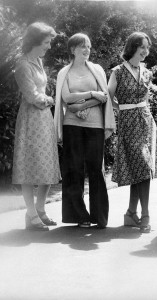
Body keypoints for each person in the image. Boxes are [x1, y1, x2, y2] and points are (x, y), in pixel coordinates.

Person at [54, 33, 115, 229]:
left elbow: (103, 96)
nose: (87, 50)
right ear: (72, 50)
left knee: (96, 169)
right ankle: (80, 215)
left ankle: (100, 216)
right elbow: (66, 97)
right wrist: (90, 94)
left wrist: (80, 106)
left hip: (95, 125)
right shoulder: (64, 72)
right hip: (72, 125)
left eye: (88, 46)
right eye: (82, 46)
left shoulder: (97, 70)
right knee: (73, 170)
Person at [108, 32, 157, 233]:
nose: (146, 51)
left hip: (146, 122)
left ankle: (131, 213)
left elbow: (146, 97)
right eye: (142, 47)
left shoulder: (146, 72)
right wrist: (122, 109)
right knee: (141, 166)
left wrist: (139, 110)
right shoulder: (117, 71)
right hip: (128, 123)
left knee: (141, 168)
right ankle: (145, 214)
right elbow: (109, 98)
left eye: (147, 48)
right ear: (132, 46)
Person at [13, 22, 60, 231]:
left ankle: (40, 210)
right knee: (30, 166)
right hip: (31, 120)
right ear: (35, 42)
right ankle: (30, 213)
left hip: (44, 120)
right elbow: (33, 97)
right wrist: (50, 100)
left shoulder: (38, 61)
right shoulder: (23, 65)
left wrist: (47, 102)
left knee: (47, 165)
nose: (49, 47)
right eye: (46, 42)